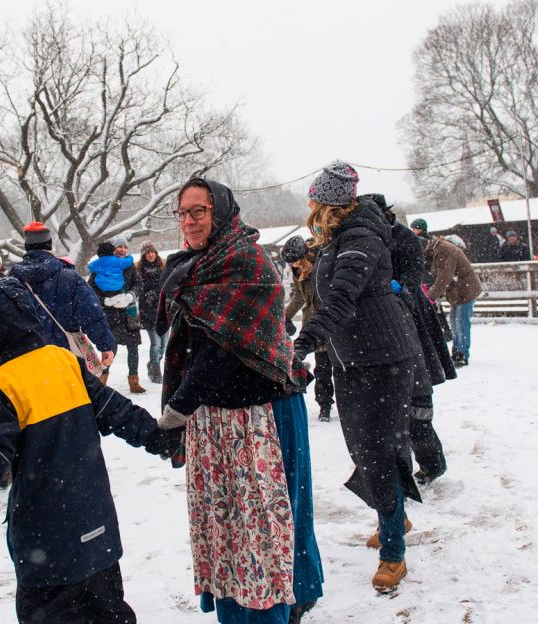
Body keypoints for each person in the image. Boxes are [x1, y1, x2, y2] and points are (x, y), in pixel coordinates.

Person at [0, 277, 183, 624]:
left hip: (46, 543)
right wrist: (160, 438)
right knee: (108, 613)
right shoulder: (64, 362)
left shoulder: (4, 384)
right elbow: (117, 412)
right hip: (97, 530)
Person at [159, 177, 323, 622]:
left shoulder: (245, 262)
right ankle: (271, 601)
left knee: (264, 528)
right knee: (231, 528)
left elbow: (223, 350)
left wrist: (178, 406)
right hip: (216, 415)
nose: (190, 221)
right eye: (183, 212)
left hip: (259, 415)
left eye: (200, 211)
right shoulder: (195, 264)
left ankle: (280, 604)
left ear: (222, 212)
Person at [293, 163, 422, 593]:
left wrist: (303, 341)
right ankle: (395, 513)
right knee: (362, 448)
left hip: (384, 357)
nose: (309, 204)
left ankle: (393, 550)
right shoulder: (336, 240)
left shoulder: (361, 238)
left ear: (326, 202)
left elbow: (343, 299)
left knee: (378, 452)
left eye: (312, 197)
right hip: (354, 357)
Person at [366, 193, 455, 487]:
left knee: (417, 401)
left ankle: (431, 461)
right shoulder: (371, 238)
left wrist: (400, 291)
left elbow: (415, 274)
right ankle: (408, 463)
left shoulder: (404, 238)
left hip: (411, 315)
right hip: (386, 317)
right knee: (397, 409)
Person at [9, 221, 116, 374]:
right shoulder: (68, 278)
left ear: (26, 247)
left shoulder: (12, 282)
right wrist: (106, 345)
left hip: (28, 359)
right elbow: (91, 314)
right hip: (66, 356)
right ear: (49, 245)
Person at [282, 236, 333, 423]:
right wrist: (285, 317)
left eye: (296, 261)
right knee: (322, 369)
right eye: (291, 263)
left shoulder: (322, 264)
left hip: (331, 321)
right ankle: (325, 405)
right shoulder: (299, 272)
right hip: (314, 324)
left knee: (343, 367)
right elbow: (298, 297)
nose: (294, 266)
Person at [90, 235, 145, 394]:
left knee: (133, 348)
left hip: (129, 312)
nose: (122, 250)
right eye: (119, 247)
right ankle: (102, 380)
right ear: (113, 249)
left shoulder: (130, 266)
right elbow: (90, 289)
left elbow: (139, 284)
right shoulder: (101, 267)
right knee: (109, 348)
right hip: (109, 314)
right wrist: (105, 300)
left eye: (125, 247)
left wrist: (130, 295)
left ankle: (134, 381)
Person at [424, 233, 483, 368]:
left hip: (464, 291)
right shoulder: (440, 249)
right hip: (459, 291)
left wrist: (430, 296)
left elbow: (444, 277)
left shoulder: (444, 251)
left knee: (461, 323)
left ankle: (461, 353)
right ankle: (457, 350)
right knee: (456, 322)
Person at [136, 240, 167, 384]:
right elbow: (138, 290)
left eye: (153, 252)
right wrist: (147, 296)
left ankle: (151, 363)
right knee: (155, 344)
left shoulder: (163, 267)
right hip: (148, 312)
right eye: (148, 252)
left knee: (164, 345)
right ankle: (156, 371)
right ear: (144, 255)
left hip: (164, 312)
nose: (151, 255)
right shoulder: (139, 271)